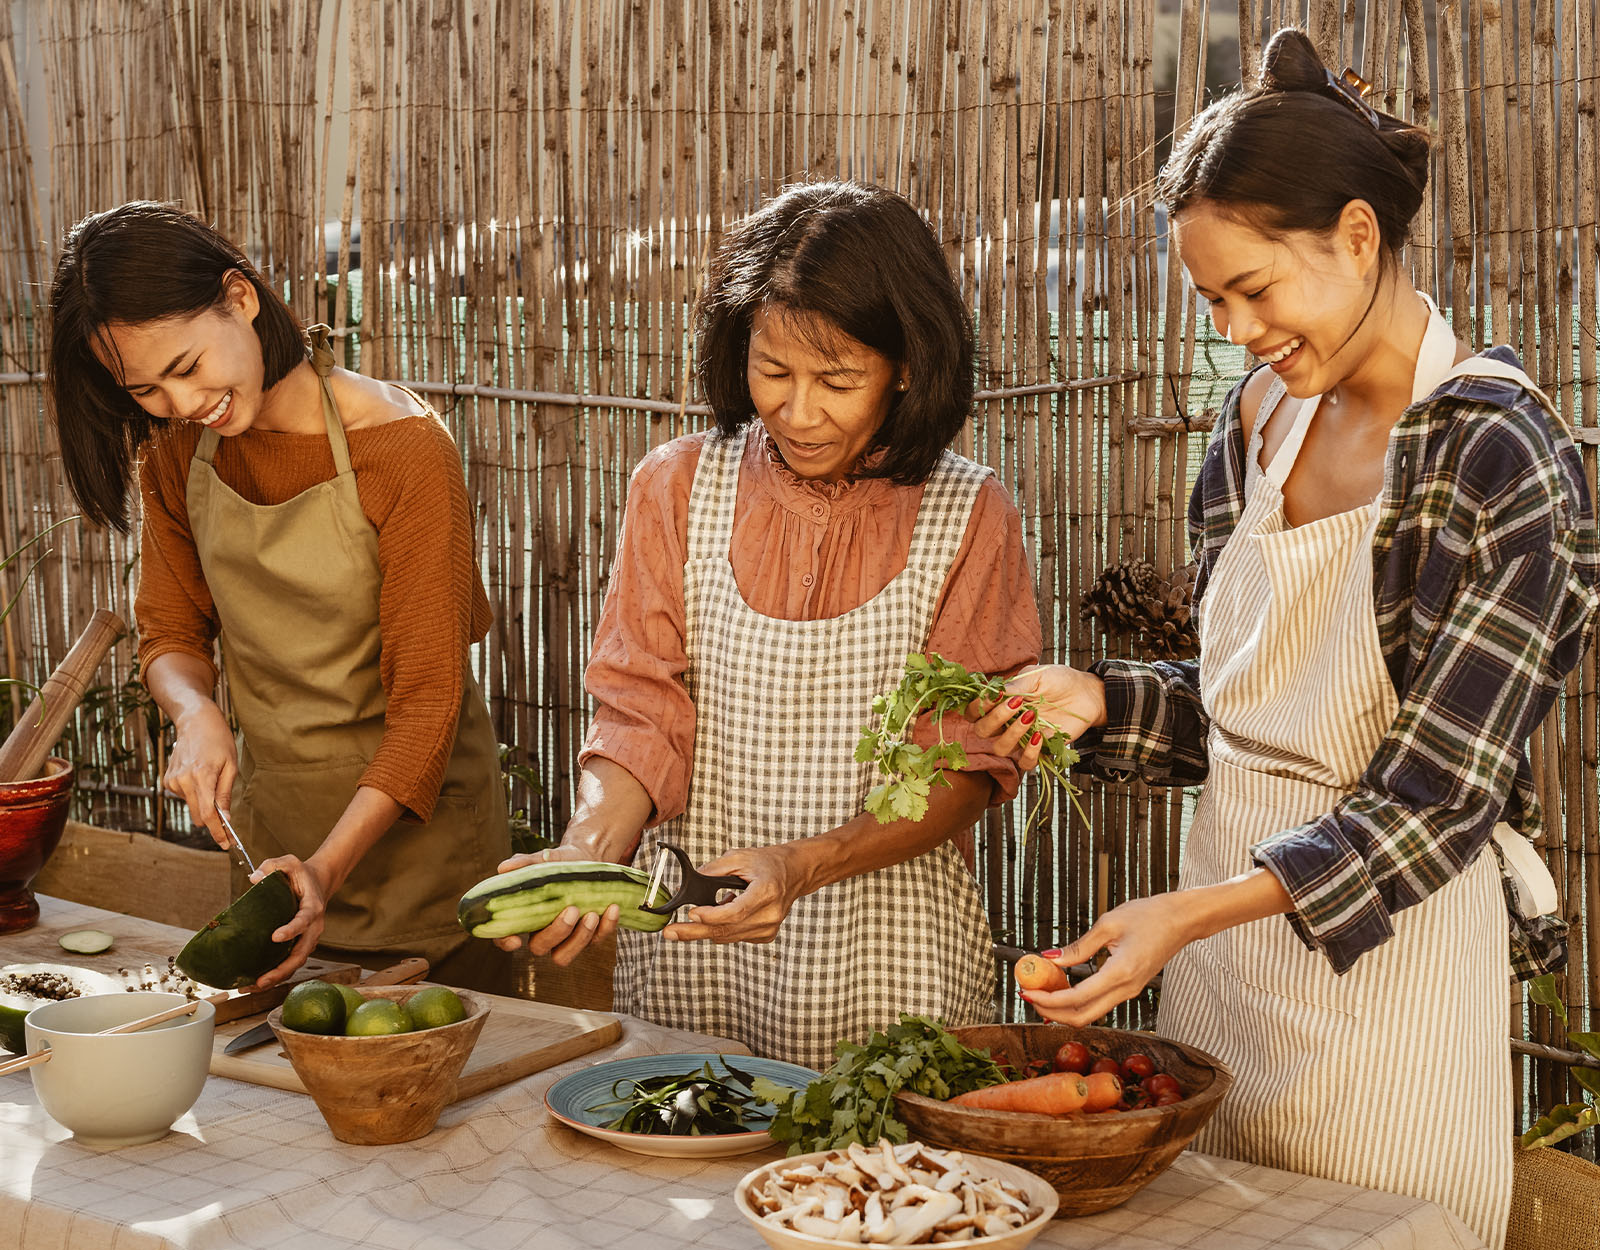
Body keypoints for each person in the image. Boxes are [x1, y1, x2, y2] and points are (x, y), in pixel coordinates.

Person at [969, 29, 1598, 1248]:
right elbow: (1241, 708)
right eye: (1211, 299)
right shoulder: (1255, 417)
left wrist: (1190, 912)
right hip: (1223, 968)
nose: (1238, 327)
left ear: (1358, 236)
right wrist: (1099, 702)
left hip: (1387, 982)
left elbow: (1434, 797)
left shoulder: (1497, 454)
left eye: (1254, 288)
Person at [489, 180, 1042, 1069]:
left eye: (839, 379)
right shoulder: (677, 488)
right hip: (694, 950)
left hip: (889, 957)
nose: (799, 410)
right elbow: (640, 713)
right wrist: (586, 853)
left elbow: (970, 766)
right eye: (774, 372)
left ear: (905, 365)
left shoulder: (969, 513)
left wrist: (803, 863)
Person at [46, 202, 511, 993]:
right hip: (274, 859)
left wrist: (323, 873)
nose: (183, 404)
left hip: (419, 860)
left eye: (189, 367)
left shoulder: (402, 450)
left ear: (241, 298)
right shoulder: (175, 454)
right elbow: (168, 635)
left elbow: (428, 706)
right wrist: (196, 715)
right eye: (147, 389)